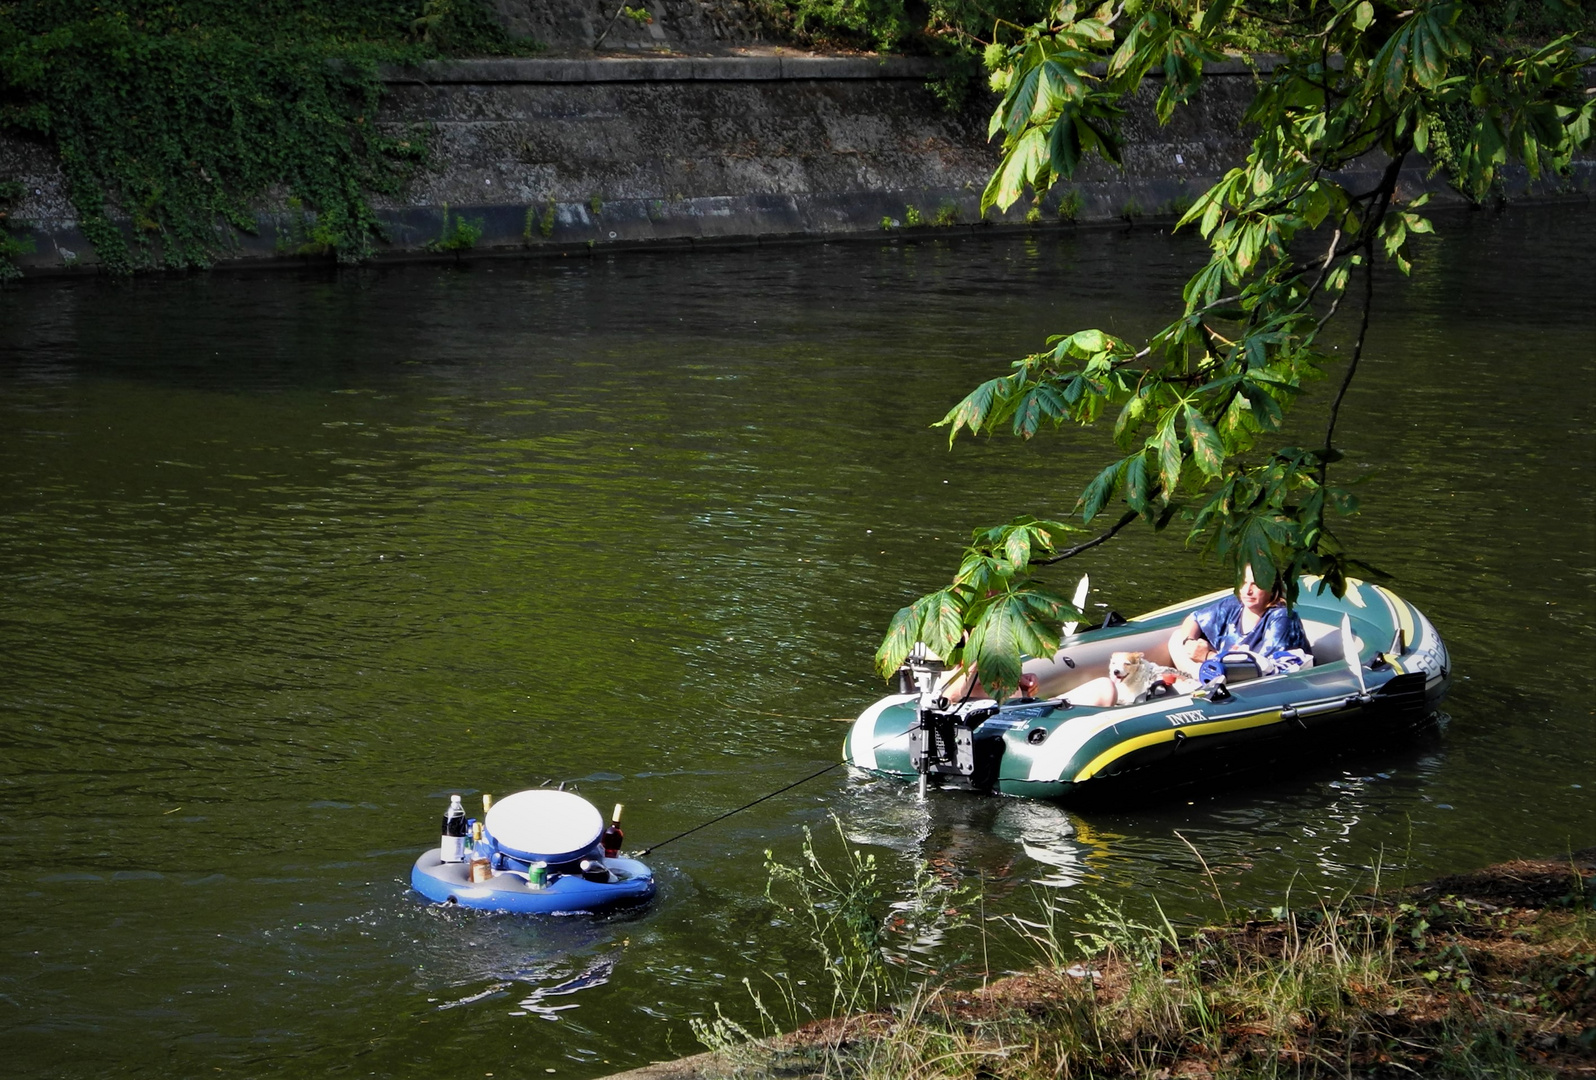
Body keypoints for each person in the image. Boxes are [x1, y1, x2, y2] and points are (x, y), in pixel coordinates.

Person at [1167, 564, 1310, 679]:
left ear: (1272, 588)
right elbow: (1193, 619)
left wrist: (1208, 656)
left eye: (1256, 584)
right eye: (1244, 583)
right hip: (1218, 670)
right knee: (1177, 637)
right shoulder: (1233, 605)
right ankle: (1198, 679)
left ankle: (1197, 681)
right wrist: (1189, 642)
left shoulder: (1282, 618)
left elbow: (1265, 670)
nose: (1247, 590)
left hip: (1256, 683)